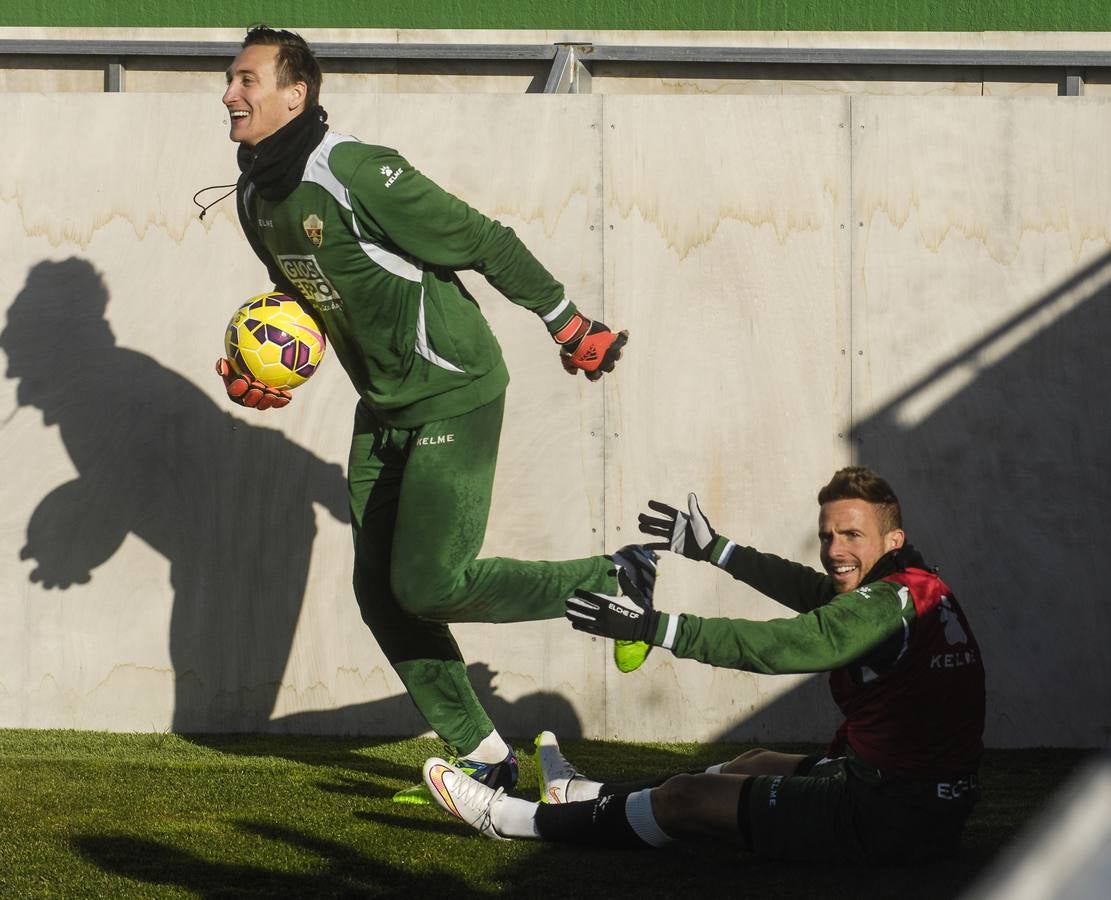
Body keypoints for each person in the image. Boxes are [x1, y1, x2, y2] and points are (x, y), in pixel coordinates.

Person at [215, 26, 654, 801]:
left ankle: (614, 575)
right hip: (381, 406)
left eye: (247, 81)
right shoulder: (254, 196)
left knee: (428, 584)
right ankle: (482, 757)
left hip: (454, 387)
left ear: (297, 93)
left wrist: (566, 321)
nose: (229, 95)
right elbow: (312, 294)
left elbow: (481, 239)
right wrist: (265, 364)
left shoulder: (353, 170)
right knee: (380, 592)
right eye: (229, 80)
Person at [422, 467, 986, 863]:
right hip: (920, 802)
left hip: (886, 818)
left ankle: (511, 818)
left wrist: (653, 628)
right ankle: (584, 794)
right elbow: (814, 591)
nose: (835, 548)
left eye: (852, 535)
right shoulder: (909, 586)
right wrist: (715, 548)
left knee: (685, 798)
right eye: (828, 534)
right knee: (757, 759)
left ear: (893, 538)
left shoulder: (882, 605)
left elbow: (790, 645)